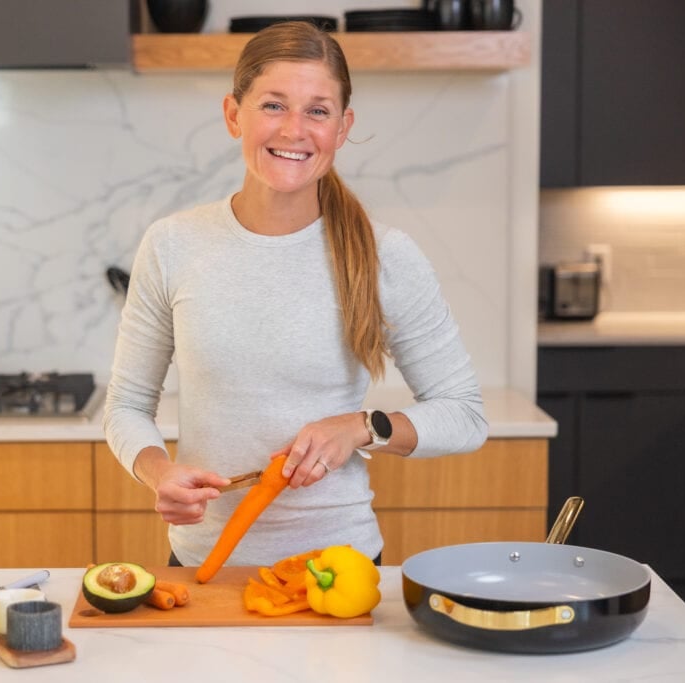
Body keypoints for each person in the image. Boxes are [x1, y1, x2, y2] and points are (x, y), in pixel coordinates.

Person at [103, 21, 488, 568]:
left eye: (318, 110)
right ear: (234, 114)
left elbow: (465, 416)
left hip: (339, 571)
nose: (295, 130)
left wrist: (362, 428)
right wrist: (158, 471)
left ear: (342, 126)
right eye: (274, 105)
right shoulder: (172, 244)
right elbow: (125, 405)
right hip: (203, 568)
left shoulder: (386, 255)